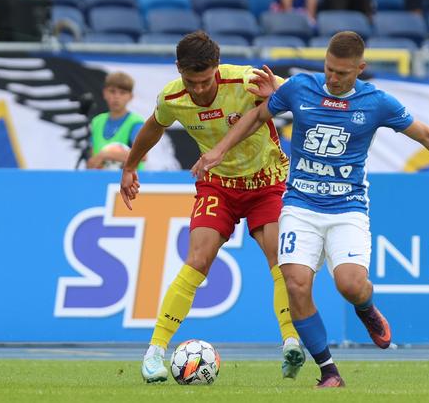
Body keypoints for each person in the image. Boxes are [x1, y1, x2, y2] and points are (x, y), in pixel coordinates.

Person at [192, 31, 429, 388]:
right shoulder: (299, 88)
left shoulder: (377, 103)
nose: (332, 78)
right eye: (328, 69)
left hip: (347, 207)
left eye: (342, 73)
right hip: (300, 203)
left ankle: (366, 308)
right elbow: (256, 116)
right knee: (296, 284)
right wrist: (219, 149)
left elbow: (425, 135)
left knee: (350, 285)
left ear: (360, 68)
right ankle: (329, 372)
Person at [119, 31, 305, 383]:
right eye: (192, 82)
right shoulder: (172, 97)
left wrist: (279, 94)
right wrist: (130, 166)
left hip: (267, 182)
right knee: (197, 261)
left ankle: (291, 342)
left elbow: (303, 94)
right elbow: (153, 127)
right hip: (218, 185)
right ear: (179, 70)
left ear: (217, 68)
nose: (200, 90)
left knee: (280, 260)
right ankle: (155, 352)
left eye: (205, 81)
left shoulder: (246, 80)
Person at [87, 72, 146, 170]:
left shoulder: (136, 123)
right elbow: (93, 160)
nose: (116, 97)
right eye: (112, 91)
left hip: (131, 182)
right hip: (102, 181)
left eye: (122, 92)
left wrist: (107, 154)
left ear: (130, 97)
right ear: (105, 93)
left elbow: (142, 155)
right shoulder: (96, 122)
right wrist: (94, 163)